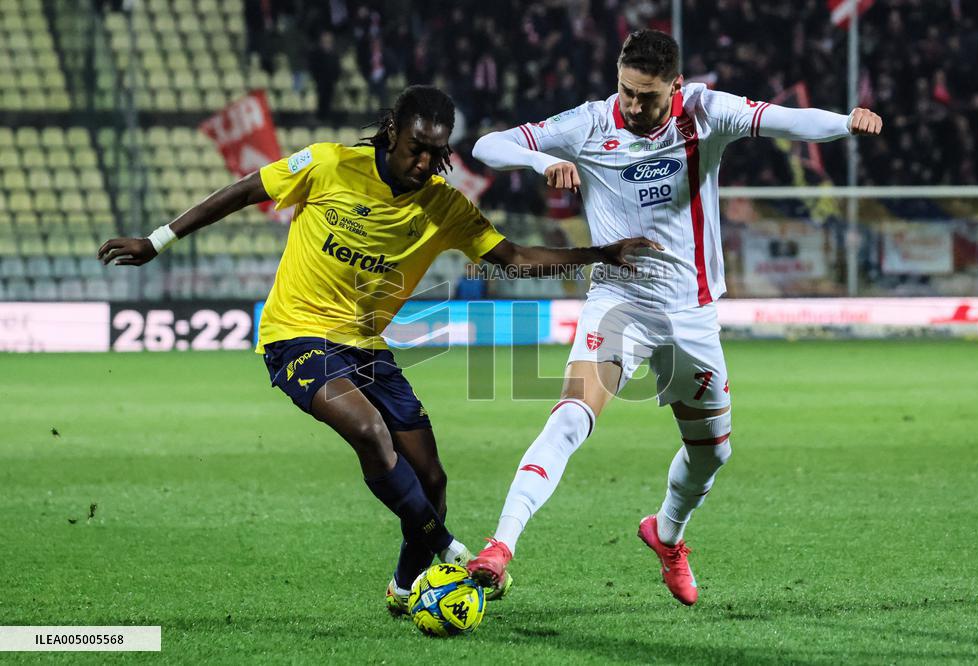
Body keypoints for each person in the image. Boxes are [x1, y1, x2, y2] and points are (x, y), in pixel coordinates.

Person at [96, 85, 658, 615]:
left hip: (366, 347)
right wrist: (157, 240)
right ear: (392, 132)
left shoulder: (444, 205)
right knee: (369, 431)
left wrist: (598, 253)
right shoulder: (329, 164)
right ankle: (453, 552)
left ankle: (407, 586)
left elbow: (512, 257)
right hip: (294, 333)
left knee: (431, 478)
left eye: (438, 154)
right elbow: (245, 190)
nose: (426, 164)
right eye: (418, 149)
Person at [467, 29, 883, 606]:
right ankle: (499, 547)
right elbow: (488, 146)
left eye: (648, 97)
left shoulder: (705, 113)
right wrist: (543, 162)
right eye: (627, 92)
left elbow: (784, 120)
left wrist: (845, 122)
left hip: (691, 314)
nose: (634, 106)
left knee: (712, 451)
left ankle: (667, 535)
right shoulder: (589, 124)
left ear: (676, 87)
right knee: (569, 418)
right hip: (619, 304)